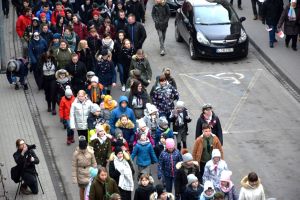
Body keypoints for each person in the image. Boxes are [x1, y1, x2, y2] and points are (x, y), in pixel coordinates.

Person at [72, 136, 97, 200]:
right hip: (81, 174)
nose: (83, 150)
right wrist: (74, 178)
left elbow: (94, 163)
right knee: (82, 189)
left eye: (84, 148)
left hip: (89, 173)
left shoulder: (91, 152)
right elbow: (74, 166)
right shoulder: (76, 154)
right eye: (81, 148)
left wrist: (95, 172)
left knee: (90, 190)